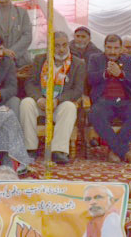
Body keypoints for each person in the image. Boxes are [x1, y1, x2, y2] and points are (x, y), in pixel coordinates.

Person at [20, 31, 85, 164]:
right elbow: (30, 83)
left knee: (70, 107)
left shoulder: (78, 63)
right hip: (41, 103)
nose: (61, 49)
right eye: (57, 46)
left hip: (59, 105)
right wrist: (39, 99)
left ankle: (59, 151)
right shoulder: (40, 59)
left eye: (64, 45)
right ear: (50, 46)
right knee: (26, 103)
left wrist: (57, 100)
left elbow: (78, 90)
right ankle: (30, 148)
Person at [88, 34, 131, 163]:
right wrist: (106, 73)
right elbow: (90, 79)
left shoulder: (129, 60)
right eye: (109, 48)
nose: (112, 51)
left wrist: (121, 74)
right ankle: (124, 152)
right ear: (104, 47)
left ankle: (115, 151)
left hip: (125, 101)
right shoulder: (95, 59)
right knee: (95, 114)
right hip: (103, 101)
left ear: (121, 49)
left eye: (116, 48)